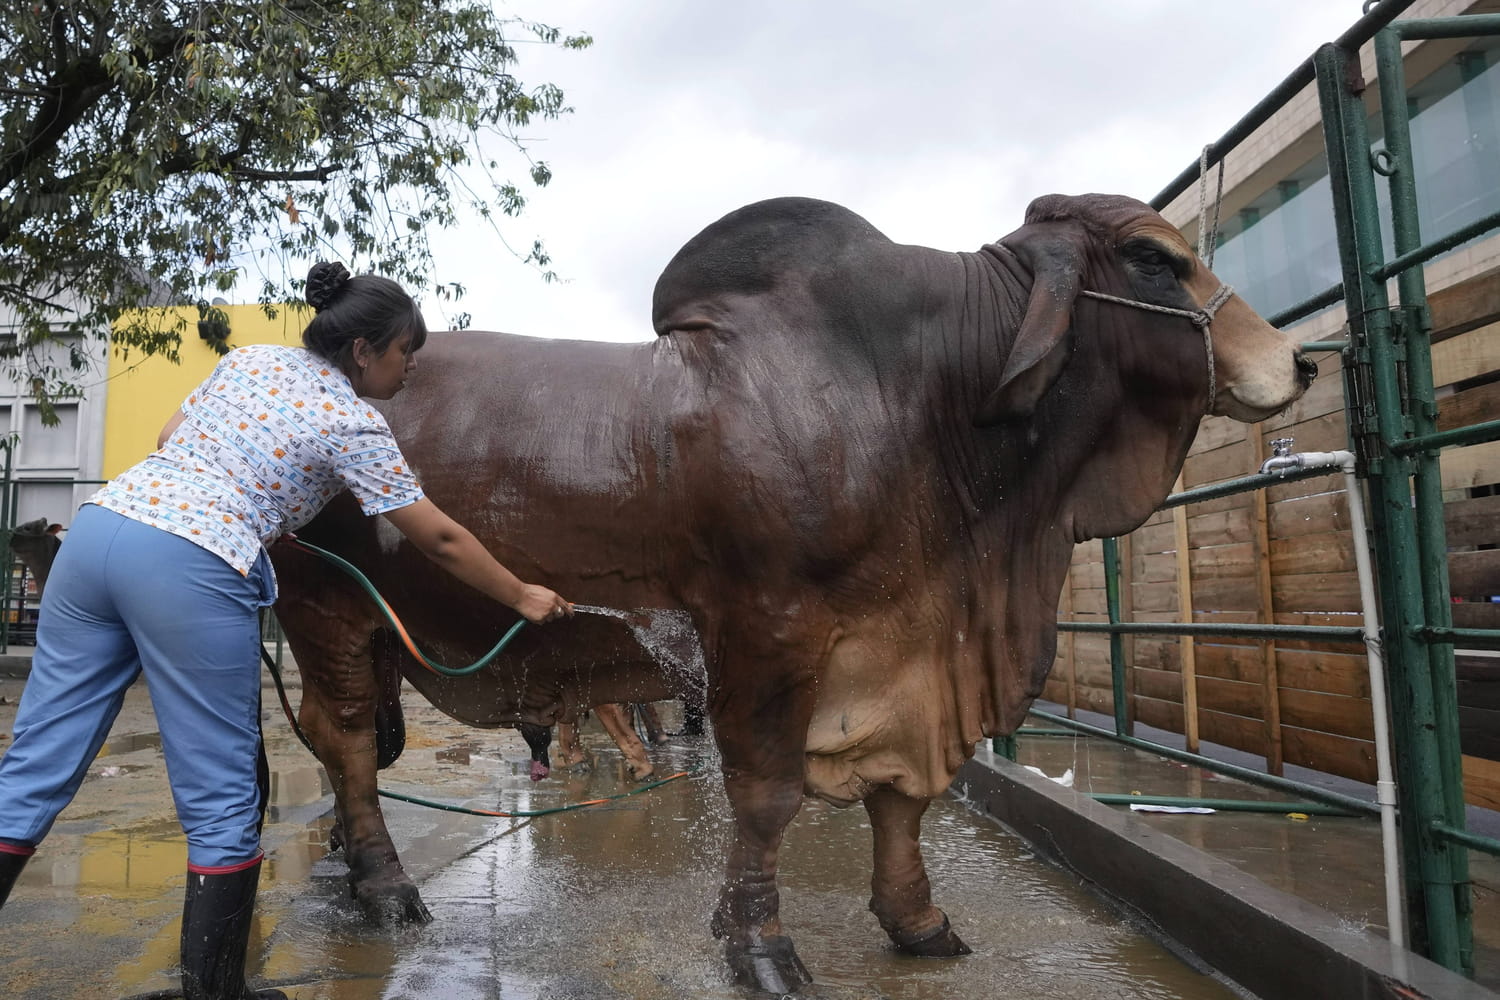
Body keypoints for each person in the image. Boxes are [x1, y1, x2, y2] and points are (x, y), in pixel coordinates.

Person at [0, 262, 572, 1000]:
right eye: (405, 351)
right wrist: (523, 594)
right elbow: (439, 538)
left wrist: (258, 493)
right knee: (224, 799)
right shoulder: (354, 422)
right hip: (190, 561)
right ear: (363, 350)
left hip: (99, 532)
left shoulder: (251, 361)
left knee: (35, 766)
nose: (411, 367)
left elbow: (171, 436)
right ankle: (215, 993)